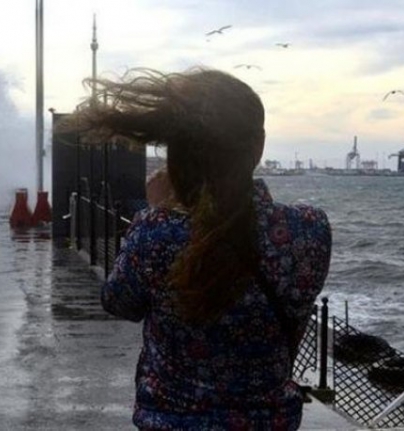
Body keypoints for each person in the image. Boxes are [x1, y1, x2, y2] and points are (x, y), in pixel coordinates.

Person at [62, 68, 332, 430]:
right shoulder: (309, 230)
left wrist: (157, 209)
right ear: (258, 145)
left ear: (178, 151)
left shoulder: (156, 231)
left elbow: (119, 303)